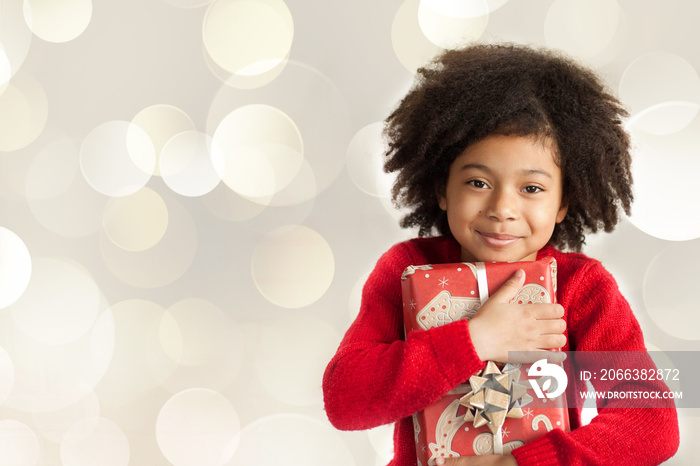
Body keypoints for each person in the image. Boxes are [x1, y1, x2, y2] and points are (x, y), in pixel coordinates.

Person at [322, 43, 680, 465]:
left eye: (532, 188)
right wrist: (475, 339)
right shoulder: (404, 270)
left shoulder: (581, 288)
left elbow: (653, 421)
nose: (502, 209)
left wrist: (521, 463)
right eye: (478, 182)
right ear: (441, 187)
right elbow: (345, 400)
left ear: (564, 201)